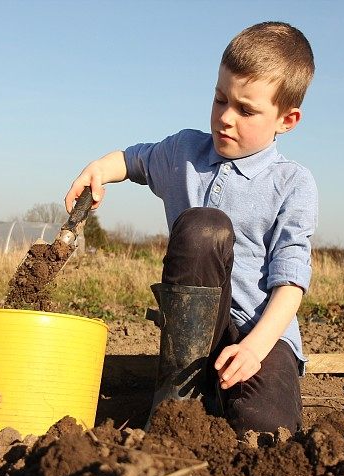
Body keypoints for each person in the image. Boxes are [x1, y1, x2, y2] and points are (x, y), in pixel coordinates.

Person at [64, 21, 317, 435]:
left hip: (260, 333)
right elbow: (133, 160)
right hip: (190, 336)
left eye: (246, 110)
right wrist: (98, 170)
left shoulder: (293, 184)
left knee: (264, 427)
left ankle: (220, 394)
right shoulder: (184, 152)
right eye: (220, 100)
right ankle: (178, 400)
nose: (225, 119)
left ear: (287, 120)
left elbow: (290, 283)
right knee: (204, 227)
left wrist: (253, 348)